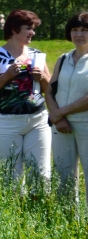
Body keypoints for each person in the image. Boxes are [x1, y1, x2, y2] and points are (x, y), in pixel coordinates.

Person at [0, 9, 51, 184]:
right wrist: (5, 77)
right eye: (29, 28)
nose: (32, 32)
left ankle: (38, 209)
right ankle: (16, 211)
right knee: (11, 177)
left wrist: (42, 77)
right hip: (6, 122)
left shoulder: (37, 55)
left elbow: (50, 88)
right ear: (13, 29)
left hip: (37, 120)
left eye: (33, 28)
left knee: (41, 175)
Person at [45, 12, 88, 201]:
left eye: (85, 30)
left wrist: (58, 113)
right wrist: (59, 119)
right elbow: (49, 91)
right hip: (61, 127)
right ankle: (69, 222)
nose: (79, 34)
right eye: (75, 30)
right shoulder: (63, 59)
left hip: (85, 125)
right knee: (64, 177)